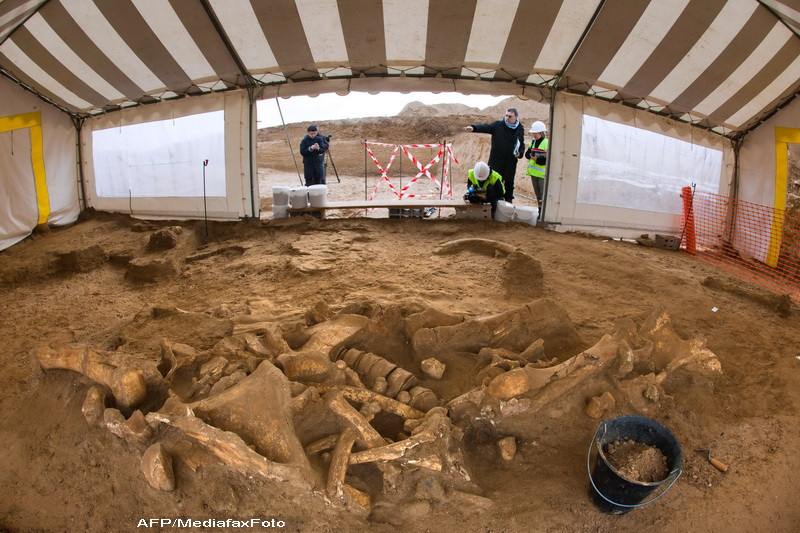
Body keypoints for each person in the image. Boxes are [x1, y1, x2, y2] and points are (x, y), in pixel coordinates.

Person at [463, 108, 525, 202]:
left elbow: (521, 143)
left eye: (510, 116)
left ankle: (508, 204)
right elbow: (486, 127)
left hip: (510, 162)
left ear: (516, 117)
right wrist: (474, 128)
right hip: (496, 161)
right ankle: (491, 203)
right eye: (506, 115)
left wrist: (520, 153)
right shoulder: (498, 125)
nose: (507, 118)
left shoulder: (520, 129)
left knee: (509, 184)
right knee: (493, 184)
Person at [524, 120, 548, 207]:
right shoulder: (533, 142)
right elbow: (527, 154)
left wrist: (537, 159)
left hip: (542, 175)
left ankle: (542, 212)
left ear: (541, 133)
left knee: (543, 195)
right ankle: (539, 209)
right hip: (533, 173)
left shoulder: (546, 143)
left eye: (535, 133)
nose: (533, 135)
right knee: (538, 195)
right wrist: (530, 155)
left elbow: (547, 160)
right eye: (533, 133)